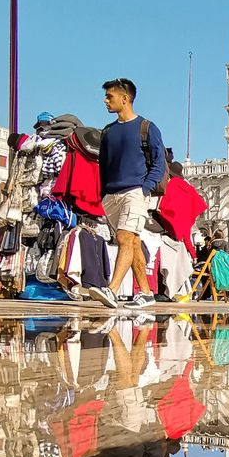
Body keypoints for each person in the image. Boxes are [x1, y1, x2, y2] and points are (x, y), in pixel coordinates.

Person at [88, 78, 166, 311]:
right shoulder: (108, 131)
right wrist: (103, 192)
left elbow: (159, 162)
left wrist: (145, 188)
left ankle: (111, 290)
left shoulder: (147, 128)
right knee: (132, 241)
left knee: (123, 237)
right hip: (111, 195)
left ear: (125, 98)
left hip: (135, 192)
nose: (105, 100)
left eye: (109, 96)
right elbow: (104, 164)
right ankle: (145, 292)